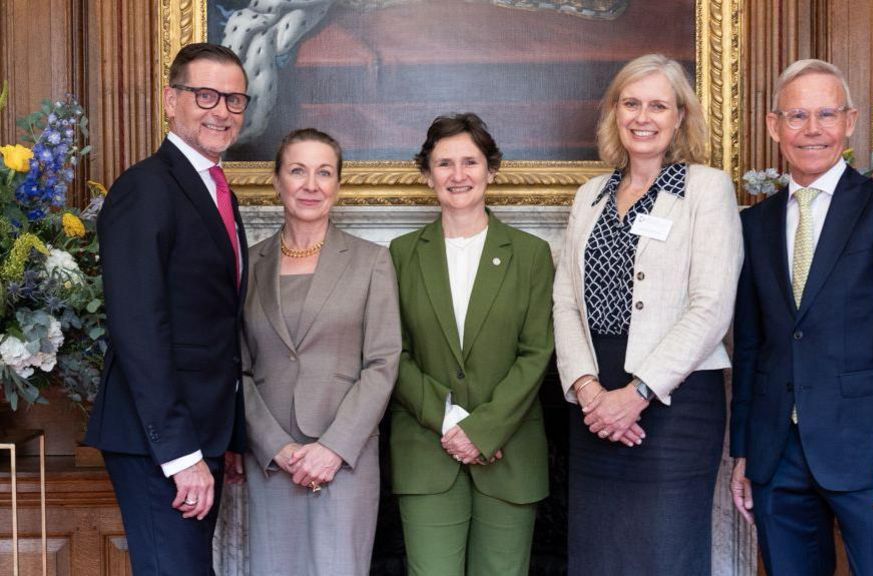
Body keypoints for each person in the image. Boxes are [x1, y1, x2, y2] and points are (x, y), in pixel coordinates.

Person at [729, 59, 873, 576]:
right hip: (777, 456)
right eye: (797, 115)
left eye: (826, 114)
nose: (812, 129)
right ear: (773, 126)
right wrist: (745, 450)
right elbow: (752, 347)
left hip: (872, 456)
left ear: (849, 122)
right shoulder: (753, 224)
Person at [552, 53, 743, 575]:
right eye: (631, 103)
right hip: (594, 404)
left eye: (658, 105)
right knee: (599, 553)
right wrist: (591, 393)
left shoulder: (706, 189)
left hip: (674, 402)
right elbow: (565, 301)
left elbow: (711, 307)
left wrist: (636, 396)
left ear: (680, 116)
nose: (643, 117)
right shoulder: (590, 195)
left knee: (665, 552)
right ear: (615, 111)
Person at [85, 43, 250, 574]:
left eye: (234, 99)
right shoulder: (146, 188)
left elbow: (215, 322)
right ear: (169, 101)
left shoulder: (213, 188)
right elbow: (140, 329)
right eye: (206, 95)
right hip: (161, 442)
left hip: (200, 436)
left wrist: (226, 437)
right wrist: (181, 456)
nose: (221, 111)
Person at [388, 113, 554, 576]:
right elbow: (392, 352)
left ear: (491, 170)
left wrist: (483, 431)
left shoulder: (531, 254)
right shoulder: (401, 255)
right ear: (426, 175)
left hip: (510, 456)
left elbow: (537, 353)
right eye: (444, 164)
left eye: (470, 162)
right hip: (425, 454)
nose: (457, 176)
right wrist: (452, 422)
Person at [240, 128, 401, 575]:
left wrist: (332, 448)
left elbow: (383, 363)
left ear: (337, 185)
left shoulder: (372, 261)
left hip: (343, 461)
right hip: (272, 463)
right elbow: (238, 369)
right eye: (297, 170)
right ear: (276, 181)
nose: (311, 184)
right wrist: (275, 447)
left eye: (323, 172)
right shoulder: (247, 265)